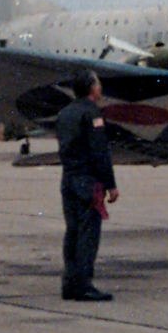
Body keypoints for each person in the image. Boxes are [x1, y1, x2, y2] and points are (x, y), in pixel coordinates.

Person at [55, 69, 118, 301]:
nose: (100, 87)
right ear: (91, 88)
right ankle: (83, 285)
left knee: (72, 233)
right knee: (87, 235)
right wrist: (111, 184)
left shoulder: (64, 113)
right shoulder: (92, 113)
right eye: (98, 83)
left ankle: (69, 284)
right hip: (87, 182)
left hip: (68, 180)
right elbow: (100, 151)